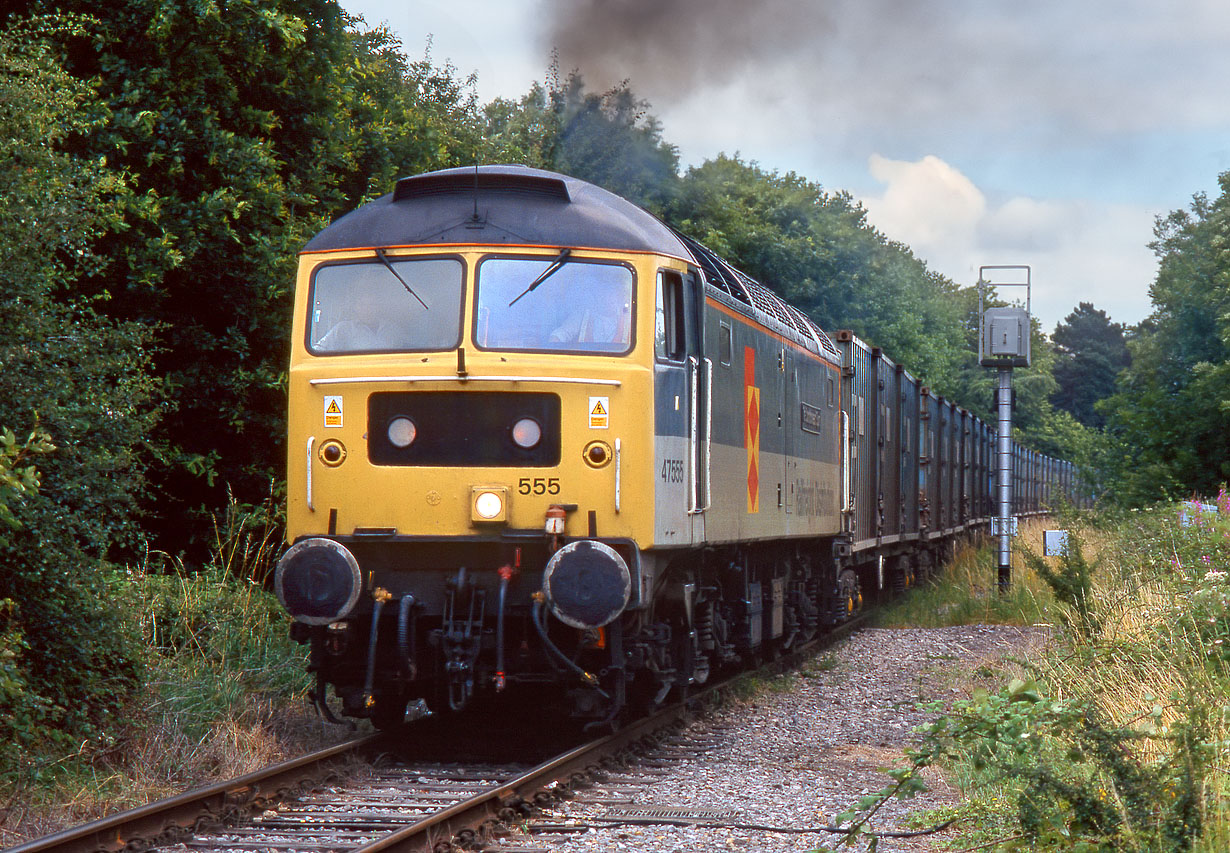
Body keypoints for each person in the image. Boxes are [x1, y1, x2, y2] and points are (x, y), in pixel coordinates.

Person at [548, 285, 630, 347]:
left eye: (612, 293)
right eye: (603, 292)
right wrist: (554, 341)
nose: (608, 297)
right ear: (596, 295)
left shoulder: (631, 319)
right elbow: (563, 333)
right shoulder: (583, 315)